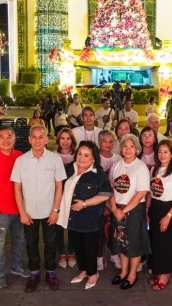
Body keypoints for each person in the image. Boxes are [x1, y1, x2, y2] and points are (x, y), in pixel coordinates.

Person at [12, 125, 67, 292]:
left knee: (51, 243)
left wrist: (56, 210)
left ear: (46, 139)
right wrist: (22, 212)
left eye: (41, 136)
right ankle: (34, 273)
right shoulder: (21, 161)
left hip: (49, 211)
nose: (37, 140)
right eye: (34, 137)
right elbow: (17, 188)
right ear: (29, 139)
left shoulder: (54, 159)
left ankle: (51, 272)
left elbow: (59, 187)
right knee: (31, 243)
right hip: (28, 213)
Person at [0, 125, 32, 289]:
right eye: (1, 137)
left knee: (20, 240)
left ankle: (16, 266)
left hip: (20, 210)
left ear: (14, 139)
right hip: (0, 210)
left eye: (9, 136)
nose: (6, 140)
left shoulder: (20, 157)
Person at [57, 141, 112, 290]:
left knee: (90, 248)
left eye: (86, 155)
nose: (81, 158)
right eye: (80, 153)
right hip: (71, 218)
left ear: (93, 158)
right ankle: (83, 271)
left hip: (89, 219)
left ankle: (93, 274)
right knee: (77, 247)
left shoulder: (98, 174)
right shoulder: (70, 169)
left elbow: (105, 195)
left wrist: (85, 203)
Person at [108, 134, 151, 290]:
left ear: (137, 149)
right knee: (121, 242)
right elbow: (110, 190)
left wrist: (123, 210)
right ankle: (123, 271)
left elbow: (141, 193)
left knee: (134, 243)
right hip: (118, 208)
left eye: (131, 146)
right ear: (121, 149)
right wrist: (114, 209)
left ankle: (132, 274)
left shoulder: (141, 167)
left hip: (133, 210)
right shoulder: (116, 165)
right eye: (125, 146)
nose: (128, 149)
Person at [146, 140, 172, 292]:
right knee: (156, 241)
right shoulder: (154, 169)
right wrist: (147, 209)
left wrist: (168, 216)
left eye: (166, 152)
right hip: (155, 207)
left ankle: (165, 275)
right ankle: (158, 270)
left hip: (169, 209)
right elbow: (150, 192)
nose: (162, 155)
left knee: (167, 243)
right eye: (160, 151)